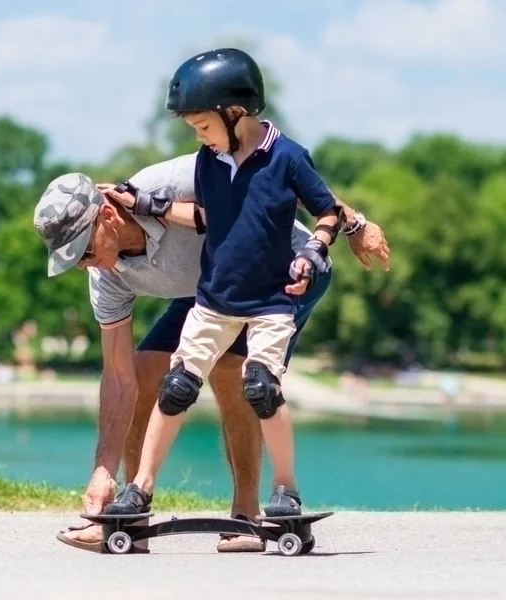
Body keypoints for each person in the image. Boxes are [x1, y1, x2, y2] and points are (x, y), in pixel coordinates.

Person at [33, 145, 389, 554]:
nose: (85, 266)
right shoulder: (106, 276)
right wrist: (102, 470)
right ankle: (128, 511)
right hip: (210, 290)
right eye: (74, 261)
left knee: (229, 369)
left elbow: (279, 176)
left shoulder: (173, 183)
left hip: (282, 268)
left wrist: (354, 224)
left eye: (85, 252)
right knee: (146, 369)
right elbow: (118, 377)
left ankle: (245, 513)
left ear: (108, 217)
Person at [98, 48, 349, 519]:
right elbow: (203, 217)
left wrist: (315, 251)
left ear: (236, 112)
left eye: (203, 126)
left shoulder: (289, 158)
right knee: (177, 386)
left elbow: (329, 210)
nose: (199, 137)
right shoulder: (209, 161)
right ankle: (141, 488)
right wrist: (147, 204)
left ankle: (285, 489)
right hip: (213, 302)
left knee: (260, 386)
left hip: (272, 301)